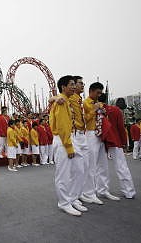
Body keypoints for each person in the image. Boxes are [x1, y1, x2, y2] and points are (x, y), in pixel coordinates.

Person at [80, 82, 118, 205]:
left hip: (101, 135)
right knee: (91, 165)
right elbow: (83, 120)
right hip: (91, 134)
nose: (99, 94)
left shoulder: (100, 103)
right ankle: (89, 193)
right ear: (91, 91)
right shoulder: (85, 103)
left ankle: (103, 189)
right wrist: (94, 110)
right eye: (98, 92)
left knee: (103, 164)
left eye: (101, 92)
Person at [50, 75, 82, 216]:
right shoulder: (62, 102)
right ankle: (64, 202)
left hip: (68, 139)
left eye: (75, 84)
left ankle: (71, 198)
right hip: (63, 140)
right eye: (71, 84)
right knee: (63, 174)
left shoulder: (66, 100)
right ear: (63, 87)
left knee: (78, 169)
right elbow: (63, 126)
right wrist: (69, 147)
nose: (74, 87)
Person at [98, 93, 136, 199]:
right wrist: (124, 142)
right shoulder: (115, 110)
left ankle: (101, 190)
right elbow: (121, 128)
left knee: (101, 167)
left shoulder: (94, 110)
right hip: (115, 141)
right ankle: (129, 191)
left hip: (100, 141)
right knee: (121, 167)